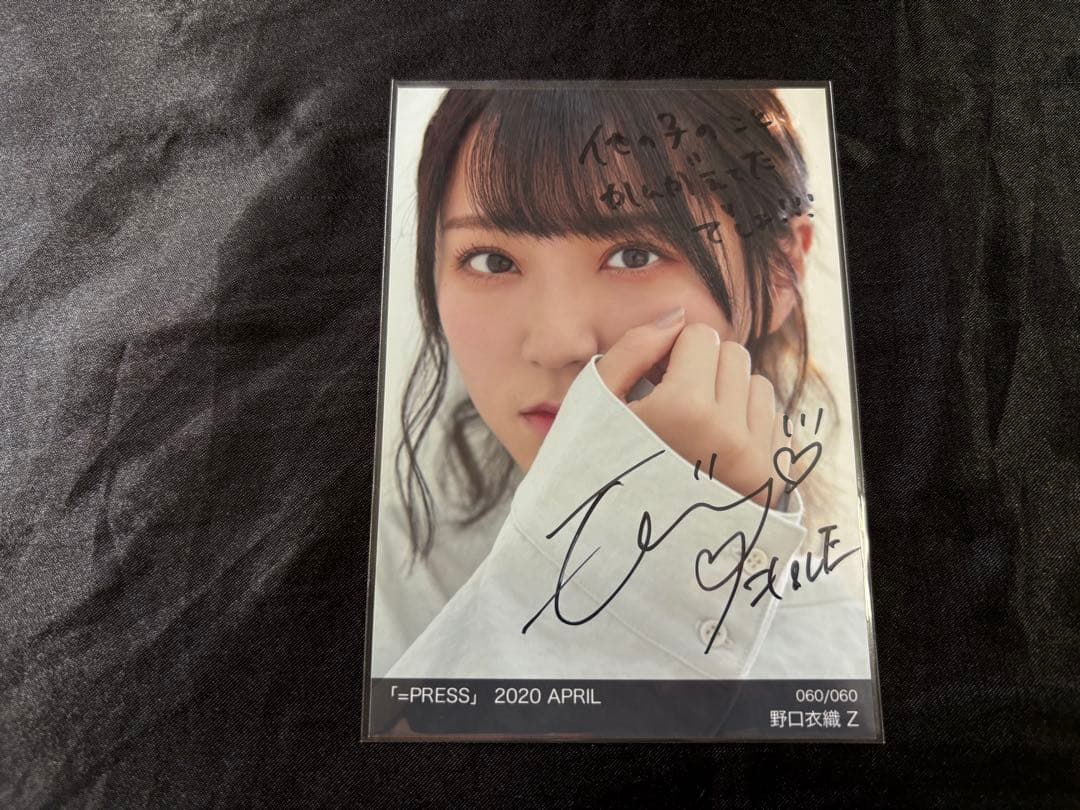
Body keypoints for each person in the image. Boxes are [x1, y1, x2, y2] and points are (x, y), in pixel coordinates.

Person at [370, 86, 871, 681]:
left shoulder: (842, 661)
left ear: (779, 269)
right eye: (491, 261)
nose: (558, 344)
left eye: (635, 256)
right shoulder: (364, 575)